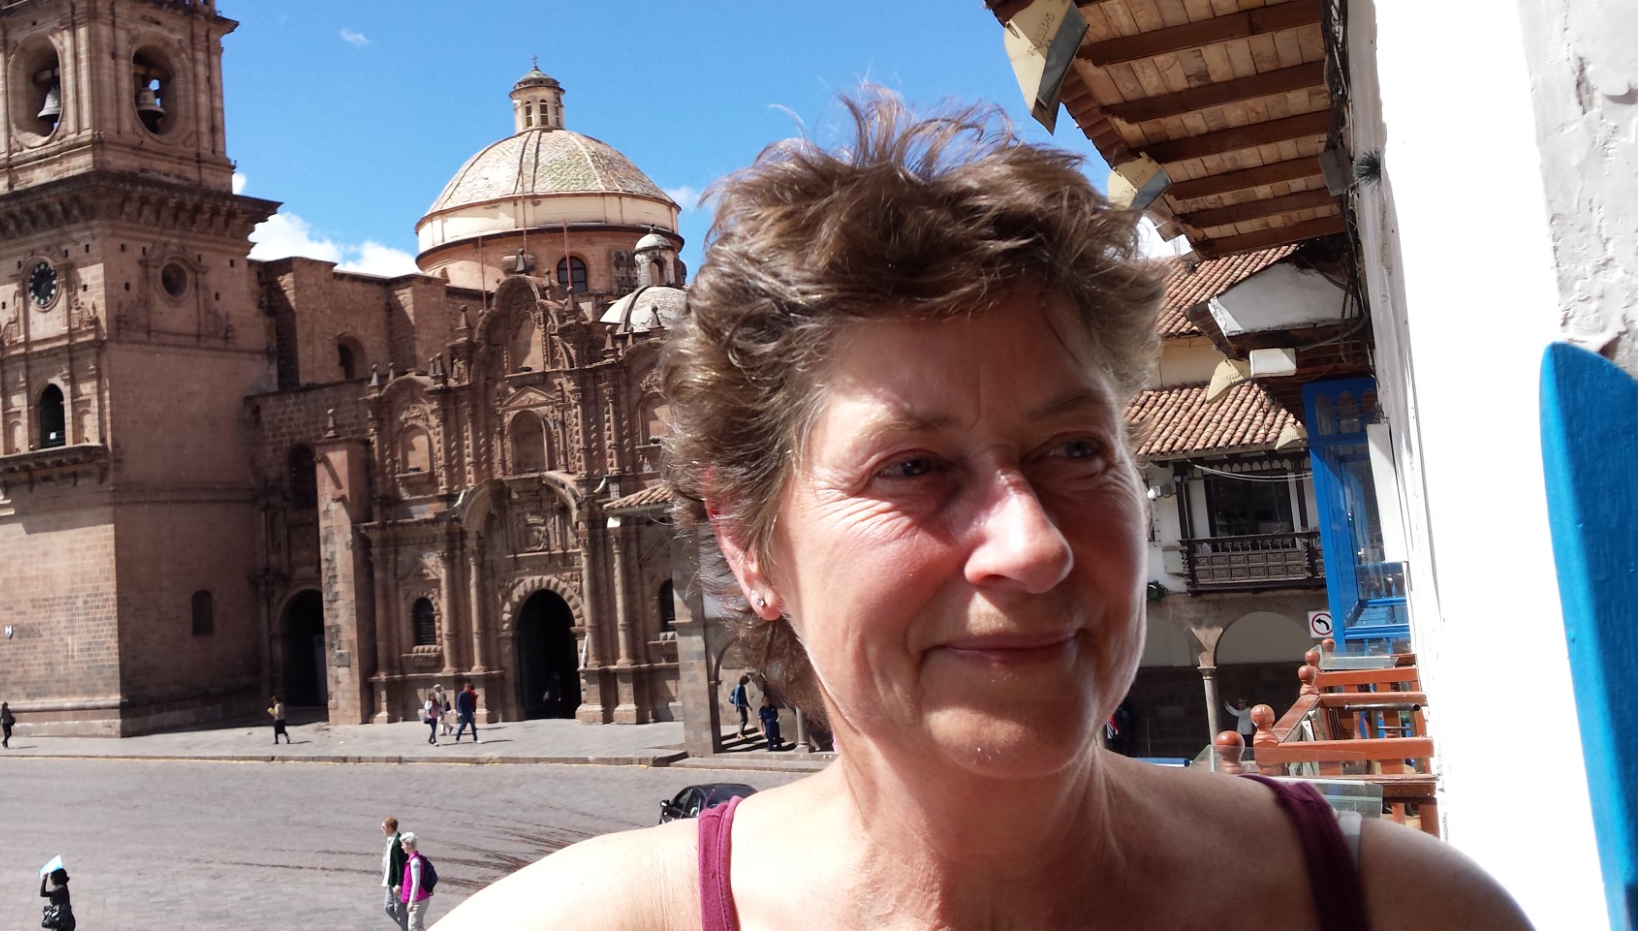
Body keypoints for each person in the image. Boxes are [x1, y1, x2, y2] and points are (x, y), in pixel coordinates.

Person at [437, 95, 1531, 930]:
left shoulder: (1411, 912)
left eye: (1075, 450)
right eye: (911, 467)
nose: (1031, 544)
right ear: (746, 541)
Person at [399, 832, 434, 931]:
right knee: (417, 926)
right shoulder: (412, 860)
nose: (402, 847)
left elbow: (416, 883)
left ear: (409, 845)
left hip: (419, 899)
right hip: (419, 898)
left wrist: (411, 901)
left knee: (413, 927)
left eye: (403, 844)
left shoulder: (414, 862)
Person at [380, 816, 409, 929]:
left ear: (390, 828)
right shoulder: (391, 840)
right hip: (390, 880)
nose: (381, 829)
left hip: (397, 883)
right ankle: (409, 928)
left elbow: (399, 865)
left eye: (383, 827)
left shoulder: (397, 843)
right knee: (388, 907)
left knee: (399, 909)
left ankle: (408, 928)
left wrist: (399, 884)